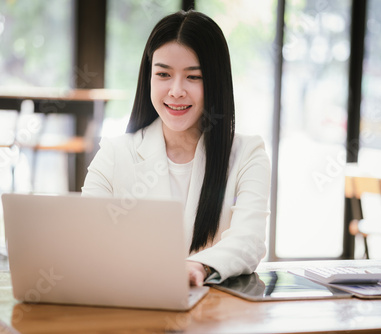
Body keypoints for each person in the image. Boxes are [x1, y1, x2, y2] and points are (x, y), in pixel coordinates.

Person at [82, 10, 271, 286]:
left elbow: (249, 240)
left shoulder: (247, 154)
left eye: (193, 77)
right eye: (163, 74)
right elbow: (87, 239)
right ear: (149, 76)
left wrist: (200, 266)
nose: (176, 90)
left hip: (216, 317)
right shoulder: (114, 154)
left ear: (215, 81)